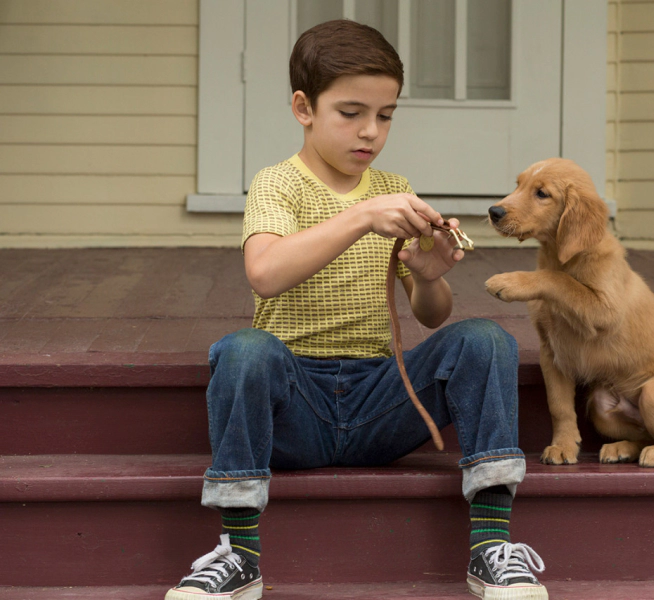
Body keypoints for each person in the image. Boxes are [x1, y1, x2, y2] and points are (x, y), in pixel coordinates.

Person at [165, 19, 547, 600]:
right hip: (295, 406)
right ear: (303, 107)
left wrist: (427, 273)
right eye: (351, 113)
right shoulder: (277, 185)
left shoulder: (391, 186)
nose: (370, 131)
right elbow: (265, 274)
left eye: (386, 114)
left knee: (485, 339)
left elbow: (433, 315)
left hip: (380, 399)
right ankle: (238, 554)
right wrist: (363, 217)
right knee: (243, 351)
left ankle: (491, 547)